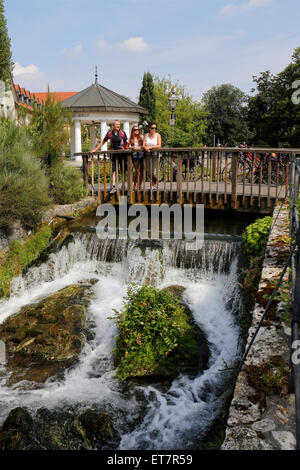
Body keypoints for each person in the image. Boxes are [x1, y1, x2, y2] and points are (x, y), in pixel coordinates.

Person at [91, 121, 128, 194]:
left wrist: (127, 149)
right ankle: (114, 186)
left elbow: (126, 142)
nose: (118, 126)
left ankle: (124, 184)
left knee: (123, 170)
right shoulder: (110, 133)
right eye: (116, 124)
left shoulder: (123, 133)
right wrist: (95, 150)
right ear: (113, 125)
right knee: (114, 170)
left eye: (119, 125)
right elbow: (103, 142)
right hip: (113, 154)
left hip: (122, 154)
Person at [143, 122, 161, 187]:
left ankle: (154, 183)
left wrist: (151, 147)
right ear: (149, 128)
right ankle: (154, 182)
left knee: (155, 171)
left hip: (155, 155)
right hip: (147, 155)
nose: (154, 129)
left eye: (155, 128)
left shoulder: (158, 135)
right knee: (148, 171)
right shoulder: (146, 135)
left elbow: (159, 145)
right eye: (152, 128)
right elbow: (143, 144)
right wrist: (145, 148)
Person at [129, 126, 144, 190]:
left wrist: (137, 148)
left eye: (138, 129)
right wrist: (131, 148)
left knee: (142, 171)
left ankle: (140, 185)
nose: (137, 131)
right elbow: (127, 147)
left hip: (142, 156)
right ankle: (135, 185)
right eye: (135, 130)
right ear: (132, 131)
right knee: (137, 171)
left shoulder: (142, 137)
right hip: (135, 156)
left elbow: (144, 146)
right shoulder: (131, 138)